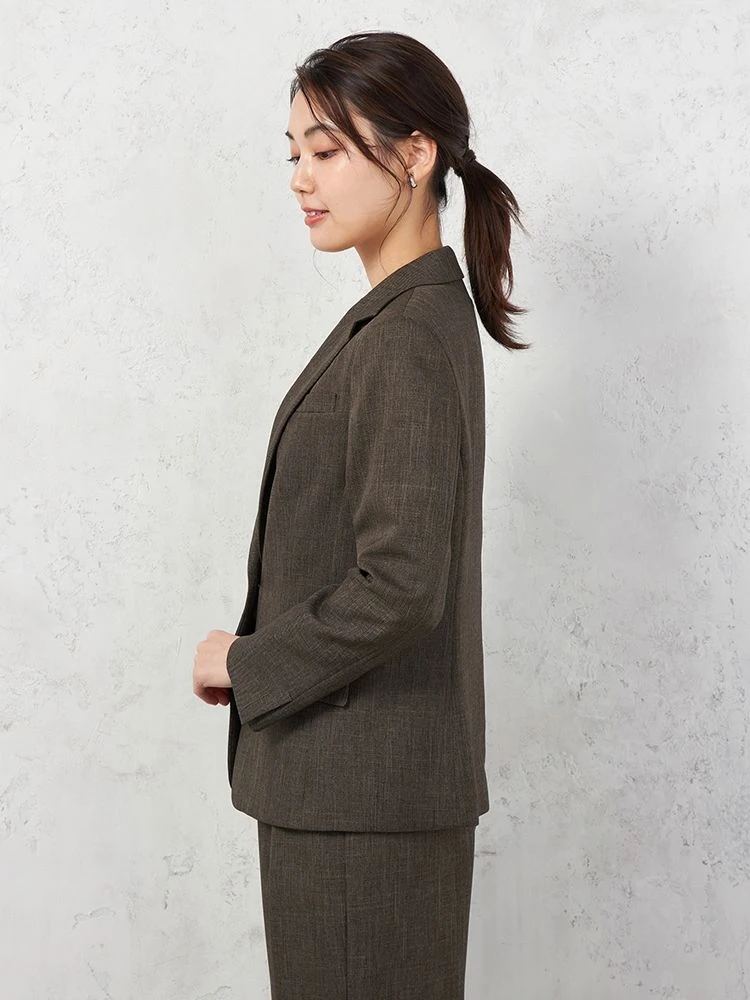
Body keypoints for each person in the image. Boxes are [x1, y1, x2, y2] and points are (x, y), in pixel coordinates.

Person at [193, 29, 529, 1000]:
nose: (302, 178)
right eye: (293, 153)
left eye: (329, 150)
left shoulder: (408, 335)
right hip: (354, 798)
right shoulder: (408, 318)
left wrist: (246, 662)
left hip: (360, 802)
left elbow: (402, 585)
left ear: (416, 155)